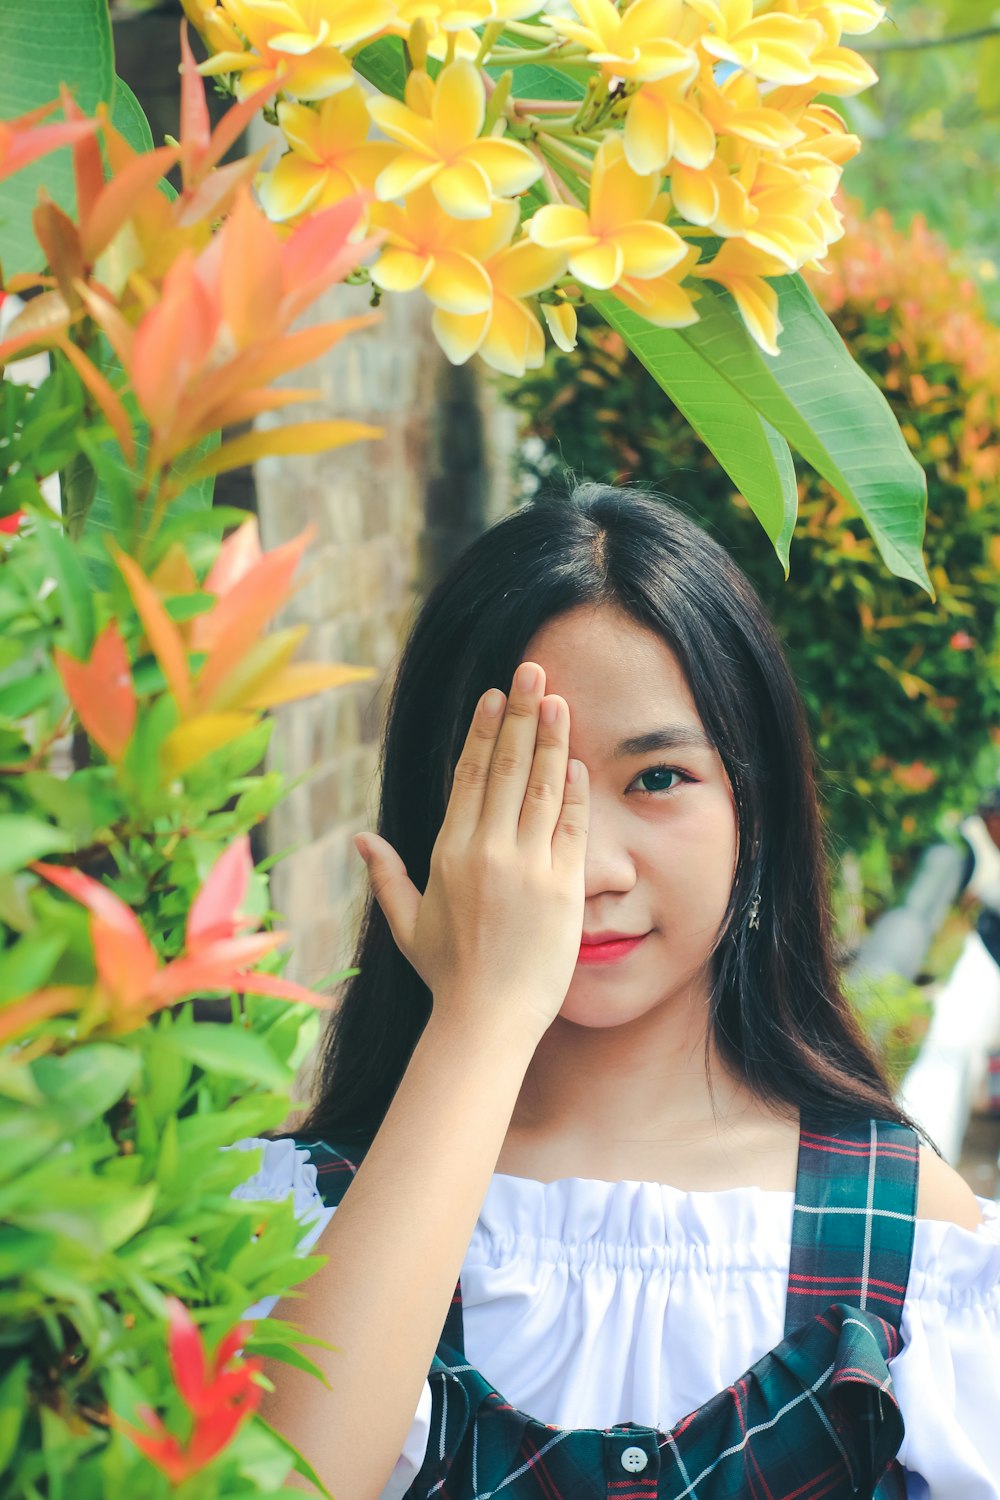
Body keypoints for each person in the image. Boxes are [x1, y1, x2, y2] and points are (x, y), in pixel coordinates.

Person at [232, 485, 1000, 1500]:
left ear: (751, 806)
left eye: (656, 780)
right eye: (523, 787)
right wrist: (481, 1018)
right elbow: (280, 1482)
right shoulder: (294, 1221)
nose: (587, 864)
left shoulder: (904, 1240)